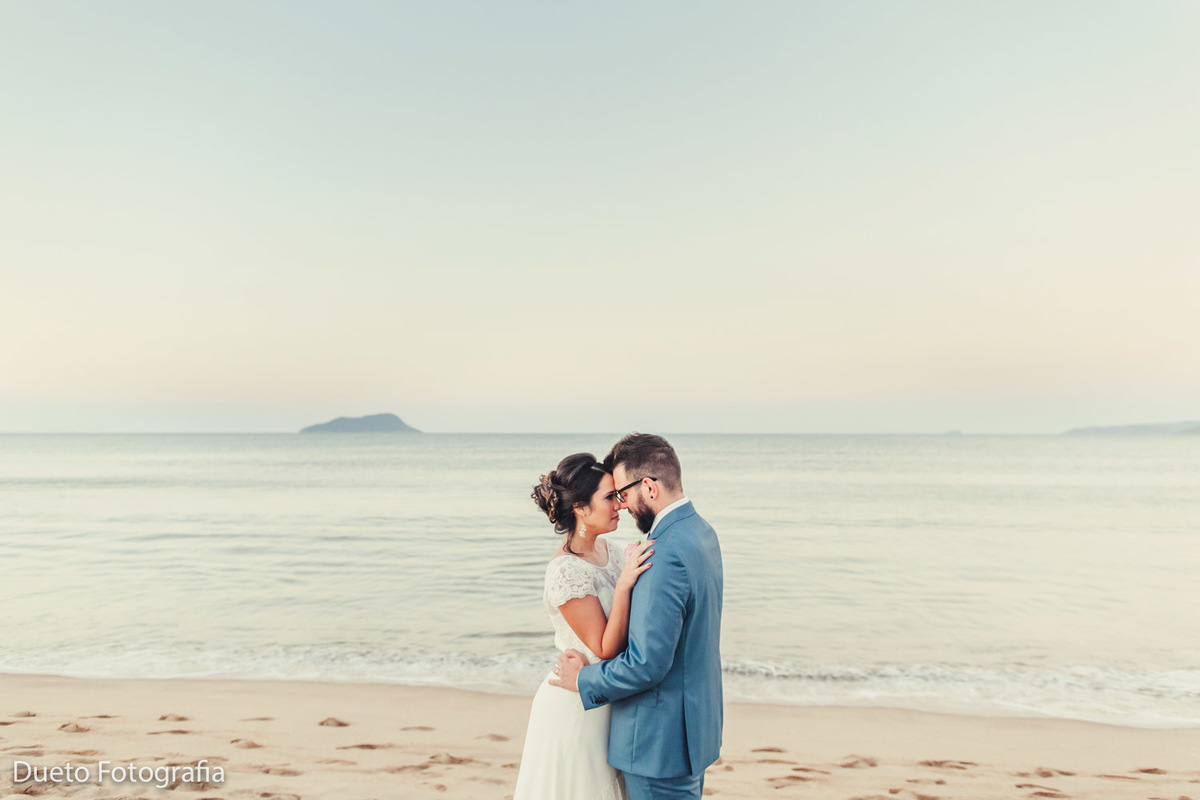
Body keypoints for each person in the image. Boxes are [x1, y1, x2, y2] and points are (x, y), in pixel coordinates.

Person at [550, 433, 723, 800]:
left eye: (623, 495)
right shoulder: (702, 533)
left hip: (657, 743)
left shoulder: (664, 552)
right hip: (693, 729)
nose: (623, 506)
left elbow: (647, 664)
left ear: (649, 486)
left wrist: (585, 679)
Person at [512, 452, 654, 800]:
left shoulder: (615, 551)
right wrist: (623, 585)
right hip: (575, 706)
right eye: (609, 498)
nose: (620, 505)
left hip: (607, 697)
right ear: (580, 508)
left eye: (618, 495)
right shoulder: (565, 572)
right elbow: (604, 647)